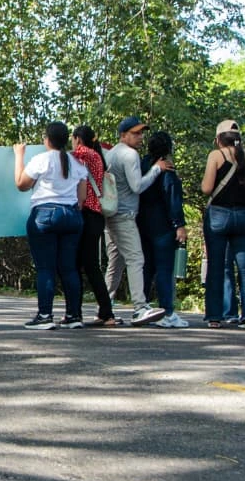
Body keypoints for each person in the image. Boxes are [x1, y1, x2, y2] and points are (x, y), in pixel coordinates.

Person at [14, 121, 88, 329]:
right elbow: (81, 198)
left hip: (45, 215)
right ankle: (73, 315)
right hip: (72, 216)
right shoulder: (77, 163)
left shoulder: (41, 160)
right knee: (69, 268)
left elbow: (21, 184)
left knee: (46, 268)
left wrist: (19, 156)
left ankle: (45, 315)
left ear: (47, 139)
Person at [102, 116, 168, 326]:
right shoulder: (130, 155)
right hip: (124, 215)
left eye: (141, 133)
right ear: (123, 135)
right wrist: (157, 168)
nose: (140, 137)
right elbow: (137, 186)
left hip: (109, 215)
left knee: (116, 263)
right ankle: (140, 307)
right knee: (136, 259)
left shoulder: (110, 154)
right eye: (135, 133)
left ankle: (105, 307)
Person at [201, 120, 245, 329]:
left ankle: (215, 316)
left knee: (217, 266)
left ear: (219, 139)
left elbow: (207, 188)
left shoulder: (216, 156)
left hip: (219, 214)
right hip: (243, 216)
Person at [137, 132, 189, 328]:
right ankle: (167, 311)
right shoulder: (167, 168)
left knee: (146, 267)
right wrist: (179, 225)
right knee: (164, 269)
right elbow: (172, 198)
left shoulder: (143, 164)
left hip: (142, 221)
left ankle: (142, 307)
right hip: (162, 223)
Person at [72, 126, 118, 327]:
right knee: (90, 265)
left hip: (86, 214)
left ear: (77, 139)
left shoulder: (83, 153)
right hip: (96, 216)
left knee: (81, 265)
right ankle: (104, 311)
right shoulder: (98, 155)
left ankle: (82, 312)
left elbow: (65, 159)